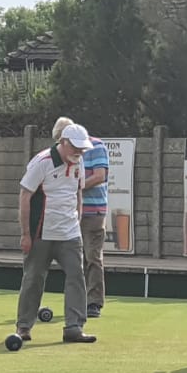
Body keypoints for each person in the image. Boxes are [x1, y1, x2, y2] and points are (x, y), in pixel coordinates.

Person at [16, 122, 99, 345]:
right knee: (33, 278)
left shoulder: (78, 162)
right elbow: (25, 196)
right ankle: (23, 327)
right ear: (63, 142)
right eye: (76, 148)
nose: (80, 153)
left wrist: (77, 219)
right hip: (41, 231)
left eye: (82, 149)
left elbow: (78, 192)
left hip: (69, 233)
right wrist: (25, 233)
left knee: (76, 276)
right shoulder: (42, 162)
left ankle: (74, 327)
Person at [52, 116, 110, 319]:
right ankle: (78, 302)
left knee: (92, 256)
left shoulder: (97, 146)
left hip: (93, 211)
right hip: (71, 212)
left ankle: (94, 302)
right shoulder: (60, 152)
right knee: (74, 259)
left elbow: (100, 175)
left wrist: (75, 185)